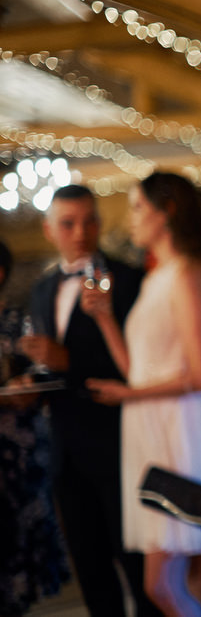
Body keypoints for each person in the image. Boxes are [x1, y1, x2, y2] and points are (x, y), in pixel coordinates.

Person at [85, 172, 201, 616]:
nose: (130, 218)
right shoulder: (158, 277)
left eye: (137, 207)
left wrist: (127, 396)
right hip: (153, 429)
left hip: (178, 435)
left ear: (165, 212)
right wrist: (105, 319)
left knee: (164, 585)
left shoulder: (186, 276)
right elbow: (138, 371)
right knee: (166, 583)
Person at [17, 185, 159, 617]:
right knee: (91, 569)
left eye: (89, 221)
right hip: (64, 448)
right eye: (68, 224)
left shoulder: (131, 279)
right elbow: (50, 364)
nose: (81, 232)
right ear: (49, 231)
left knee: (140, 568)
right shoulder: (42, 289)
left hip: (118, 442)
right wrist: (31, 384)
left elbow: (143, 365)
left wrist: (69, 361)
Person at [1, 239, 70, 615]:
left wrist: (29, 385)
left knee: (21, 541)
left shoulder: (19, 321)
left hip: (20, 448)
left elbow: (43, 373)